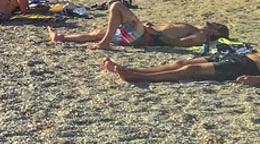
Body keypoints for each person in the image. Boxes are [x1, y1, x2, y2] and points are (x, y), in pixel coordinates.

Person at [48, 0, 229, 50]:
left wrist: (156, 33)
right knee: (99, 31)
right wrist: (154, 26)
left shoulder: (200, 36)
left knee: (117, 6)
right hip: (145, 33)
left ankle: (105, 43)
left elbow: (178, 44)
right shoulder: (195, 28)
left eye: (215, 24)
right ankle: (61, 37)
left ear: (216, 31)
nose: (210, 22)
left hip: (146, 38)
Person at [102, 48, 260, 83]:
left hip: (246, 66)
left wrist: (255, 79)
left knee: (191, 70)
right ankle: (132, 70)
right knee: (180, 63)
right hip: (240, 56)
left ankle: (137, 76)